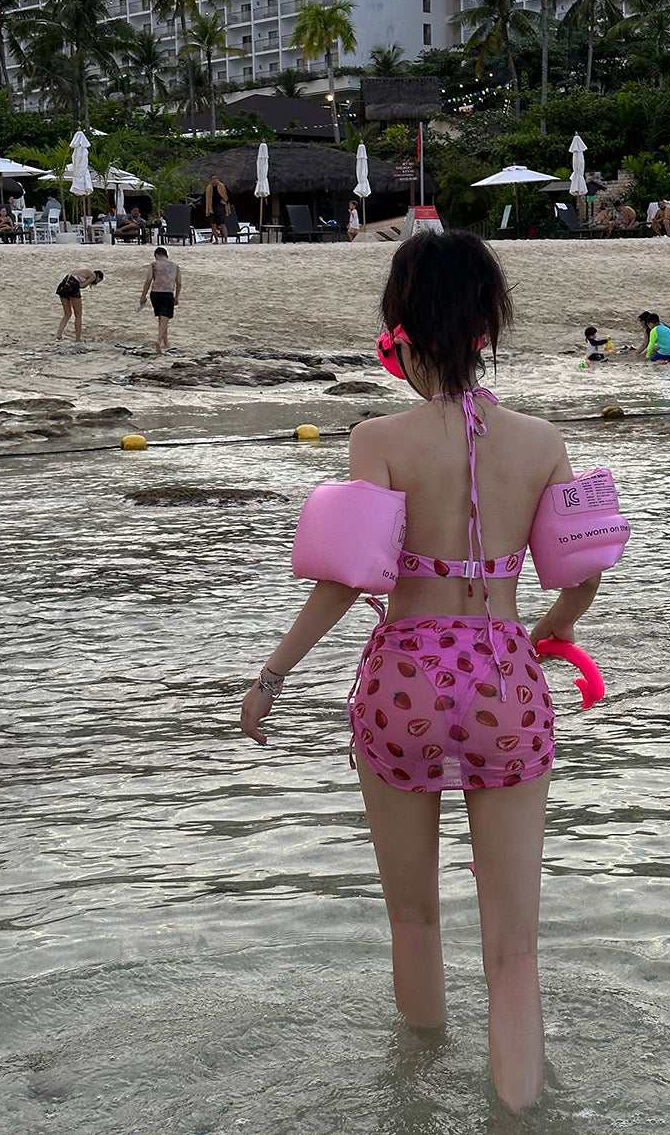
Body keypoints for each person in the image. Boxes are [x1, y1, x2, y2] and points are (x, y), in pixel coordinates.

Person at [240, 230, 611, 1112]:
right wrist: (550, 632)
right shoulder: (542, 441)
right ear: (487, 327)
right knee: (514, 953)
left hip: (402, 683)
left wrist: (271, 677)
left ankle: (413, 1103)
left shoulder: (380, 438)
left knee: (413, 919)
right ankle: (518, 1115)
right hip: (505, 684)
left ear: (402, 330)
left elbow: (346, 580)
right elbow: (583, 573)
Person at [139, 246, 182, 353]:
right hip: (167, 293)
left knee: (161, 318)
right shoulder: (175, 266)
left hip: (155, 294)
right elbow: (179, 283)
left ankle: (166, 342)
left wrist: (143, 295)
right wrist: (176, 297)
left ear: (156, 255)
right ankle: (158, 341)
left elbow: (148, 280)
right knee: (165, 318)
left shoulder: (153, 265)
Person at [55, 267, 104, 341]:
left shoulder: (81, 271)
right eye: (98, 281)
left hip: (63, 284)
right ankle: (78, 338)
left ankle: (59, 334)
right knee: (78, 315)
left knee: (67, 314)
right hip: (73, 284)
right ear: (98, 277)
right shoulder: (93, 275)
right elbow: (82, 286)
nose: (96, 283)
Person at [204, 174, 230, 243]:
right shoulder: (209, 188)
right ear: (211, 180)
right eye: (213, 179)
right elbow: (203, 197)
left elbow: (230, 195)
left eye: (216, 178)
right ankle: (216, 240)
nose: (214, 180)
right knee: (213, 225)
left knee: (222, 224)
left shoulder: (222, 187)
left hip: (220, 207)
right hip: (211, 208)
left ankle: (225, 240)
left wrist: (226, 202)